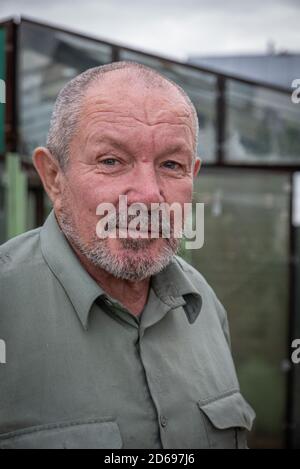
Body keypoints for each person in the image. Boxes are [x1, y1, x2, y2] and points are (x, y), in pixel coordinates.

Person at [0, 61, 255, 449]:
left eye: (171, 164)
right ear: (53, 177)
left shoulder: (205, 306)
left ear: (193, 177)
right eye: (111, 161)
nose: (149, 195)